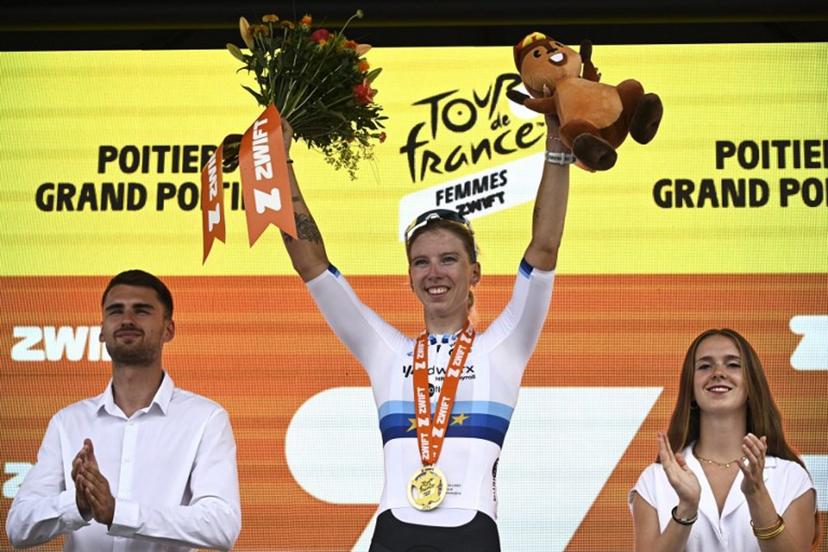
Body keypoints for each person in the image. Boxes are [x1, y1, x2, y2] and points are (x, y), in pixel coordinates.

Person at [275, 103, 571, 551]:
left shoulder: (503, 347)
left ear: (474, 273)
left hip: (472, 534)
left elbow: (544, 248)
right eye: (421, 262)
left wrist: (558, 146)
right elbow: (313, 266)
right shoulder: (385, 352)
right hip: (393, 531)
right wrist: (280, 163)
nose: (434, 273)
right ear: (410, 277)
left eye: (448, 259)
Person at [5, 270, 241, 551]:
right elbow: (18, 528)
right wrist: (77, 505)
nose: (127, 320)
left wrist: (119, 513)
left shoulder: (205, 419)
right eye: (116, 311)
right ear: (102, 330)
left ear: (169, 329)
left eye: (142, 311)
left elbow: (221, 526)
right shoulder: (67, 422)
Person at [629, 328, 818, 552]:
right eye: (705, 366)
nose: (718, 373)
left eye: (733, 364)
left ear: (751, 385)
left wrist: (757, 495)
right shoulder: (654, 480)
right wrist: (686, 509)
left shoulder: (791, 477)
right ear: (691, 387)